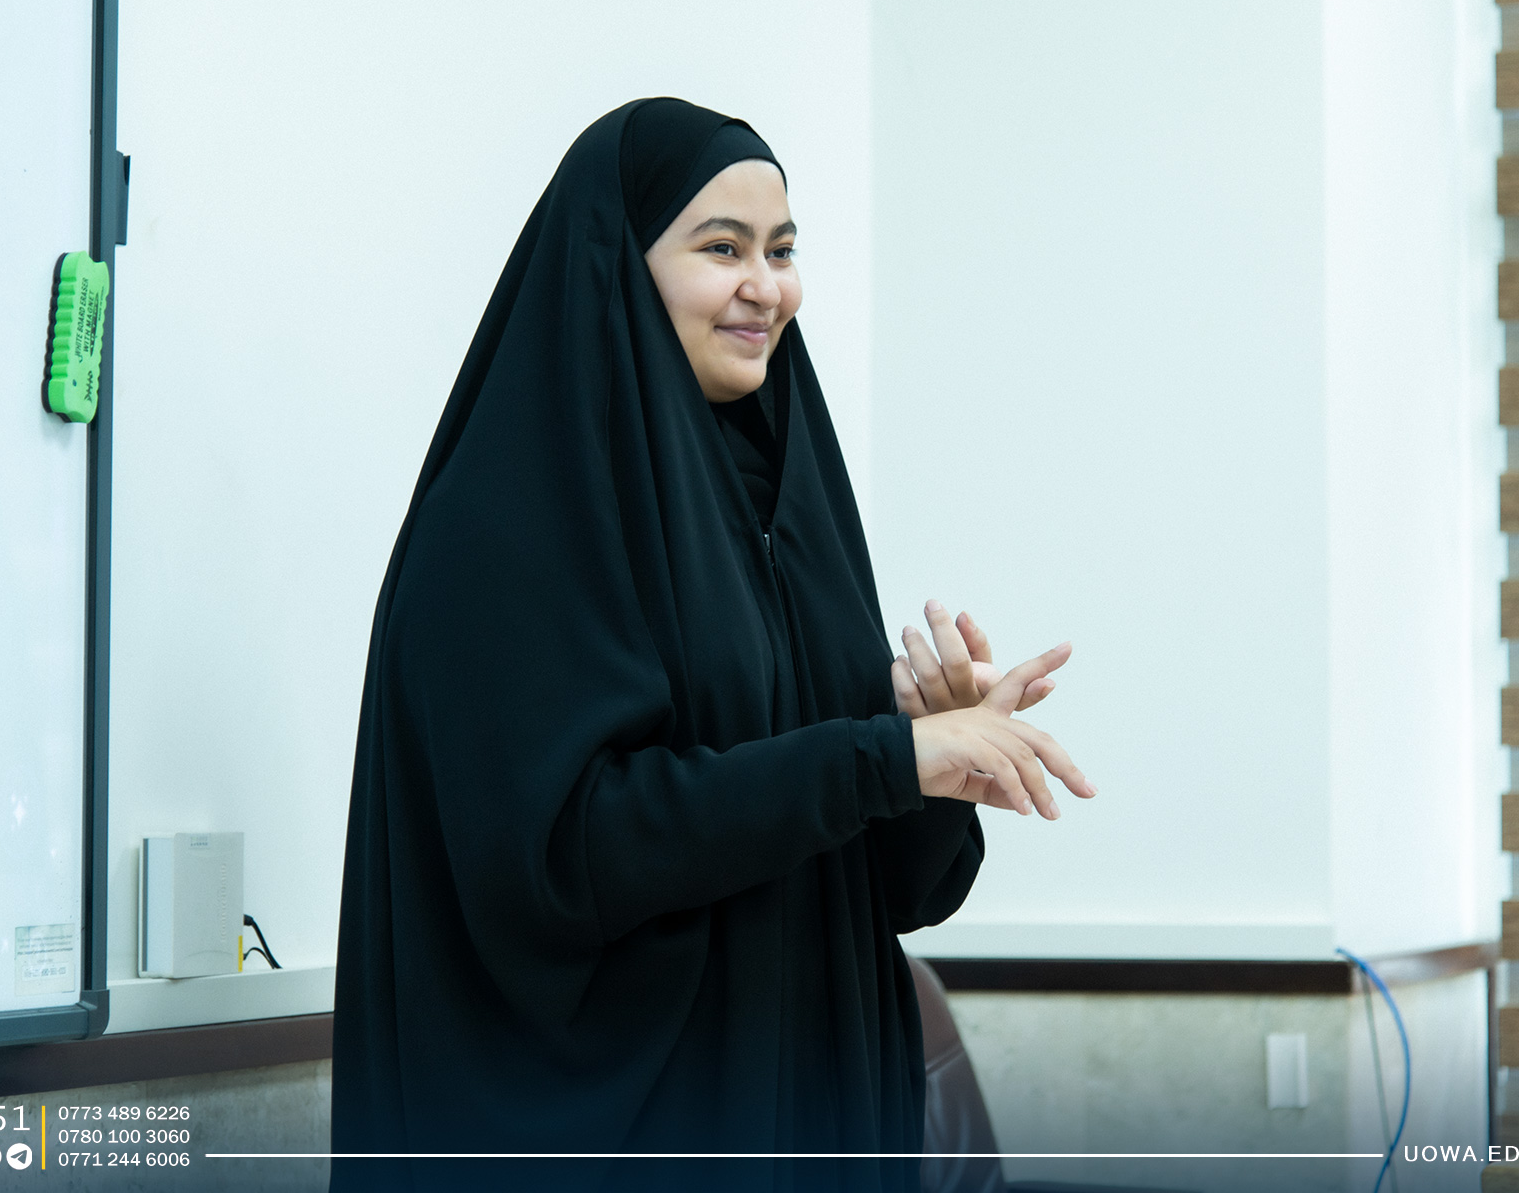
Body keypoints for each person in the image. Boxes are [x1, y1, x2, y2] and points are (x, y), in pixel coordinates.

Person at [330, 97, 1094, 1193]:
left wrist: (931, 765)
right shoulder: (505, 526)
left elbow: (881, 894)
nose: (766, 287)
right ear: (619, 267)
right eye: (722, 248)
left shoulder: (787, 509)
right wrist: (876, 760)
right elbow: (561, 856)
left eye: (782, 250)